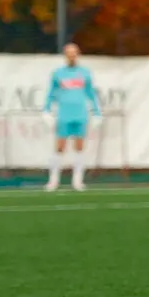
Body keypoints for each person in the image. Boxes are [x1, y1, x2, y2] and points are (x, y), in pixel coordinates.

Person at [42, 42, 102, 192]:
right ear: (65, 55)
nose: (71, 56)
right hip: (64, 114)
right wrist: (46, 110)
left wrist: (97, 112)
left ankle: (77, 180)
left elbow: (91, 94)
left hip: (80, 114)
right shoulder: (58, 74)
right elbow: (51, 93)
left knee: (80, 147)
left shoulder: (85, 73)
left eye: (74, 53)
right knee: (60, 146)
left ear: (78, 55)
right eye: (69, 53)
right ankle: (53, 180)